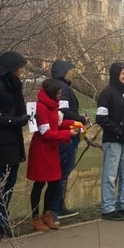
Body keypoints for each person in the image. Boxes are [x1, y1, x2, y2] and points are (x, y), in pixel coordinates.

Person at [0, 51, 29, 241]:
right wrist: (15, 120)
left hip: (14, 142)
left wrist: (23, 119)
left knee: (8, 185)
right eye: (19, 67)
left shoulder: (14, 86)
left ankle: (3, 222)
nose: (21, 71)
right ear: (9, 68)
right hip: (0, 143)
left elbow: (19, 112)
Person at [27, 79, 80, 232]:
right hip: (42, 150)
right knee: (40, 183)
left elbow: (56, 124)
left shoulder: (53, 106)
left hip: (52, 149)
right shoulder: (41, 107)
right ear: (51, 93)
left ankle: (47, 213)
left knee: (54, 182)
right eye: (57, 94)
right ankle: (35, 217)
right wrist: (67, 134)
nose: (59, 97)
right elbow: (45, 132)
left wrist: (73, 123)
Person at [96, 62, 124, 221]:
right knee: (110, 175)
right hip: (113, 140)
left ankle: (123, 204)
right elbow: (101, 118)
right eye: (123, 74)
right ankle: (108, 208)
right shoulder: (106, 93)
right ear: (116, 75)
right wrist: (118, 130)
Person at [50, 60, 88, 221]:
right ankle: (56, 208)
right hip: (66, 136)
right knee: (62, 173)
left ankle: (58, 206)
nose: (73, 76)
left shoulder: (59, 86)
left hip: (66, 134)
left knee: (62, 173)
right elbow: (63, 111)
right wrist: (81, 118)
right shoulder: (63, 88)